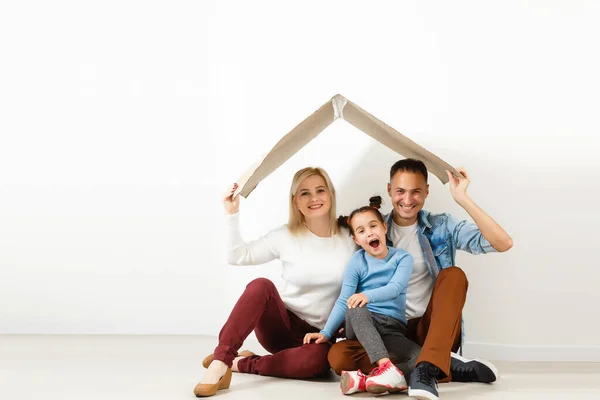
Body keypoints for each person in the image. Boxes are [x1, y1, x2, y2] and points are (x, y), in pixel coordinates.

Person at [327, 159, 513, 400]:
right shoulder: (372, 227)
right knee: (338, 356)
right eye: (400, 191)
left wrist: (462, 198)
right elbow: (351, 288)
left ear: (426, 191)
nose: (407, 199)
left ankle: (425, 369)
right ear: (389, 191)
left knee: (453, 276)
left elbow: (502, 243)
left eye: (416, 191)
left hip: (431, 329)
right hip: (387, 332)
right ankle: (442, 365)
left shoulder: (441, 226)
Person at [193, 167, 357, 397]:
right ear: (296, 202)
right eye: (304, 193)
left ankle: (243, 364)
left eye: (320, 190)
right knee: (261, 285)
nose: (314, 198)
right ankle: (221, 361)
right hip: (282, 326)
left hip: (319, 336)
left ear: (331, 194)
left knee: (318, 363)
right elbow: (238, 256)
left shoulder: (350, 237)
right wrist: (232, 214)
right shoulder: (285, 235)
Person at [304, 197, 421, 395]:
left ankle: (365, 381)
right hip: (360, 323)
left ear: (384, 227)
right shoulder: (357, 261)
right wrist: (325, 333)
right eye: (361, 231)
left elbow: (395, 288)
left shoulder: (402, 258)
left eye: (373, 226)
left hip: (392, 329)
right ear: (356, 240)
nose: (369, 233)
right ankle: (385, 367)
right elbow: (343, 300)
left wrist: (367, 295)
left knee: (420, 359)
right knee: (354, 305)